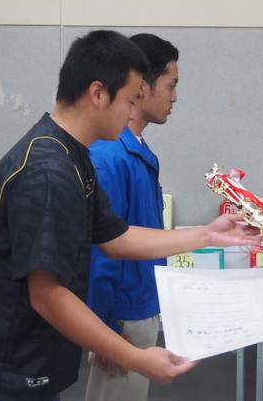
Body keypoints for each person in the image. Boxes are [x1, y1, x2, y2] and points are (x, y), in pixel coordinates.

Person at [0, 30, 260, 401]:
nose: (134, 112)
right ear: (98, 93)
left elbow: (116, 238)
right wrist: (134, 357)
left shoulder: (73, 156)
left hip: (27, 359)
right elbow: (47, 294)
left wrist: (208, 234)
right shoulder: (48, 169)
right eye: (131, 100)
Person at [85, 33, 179, 401]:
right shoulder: (110, 156)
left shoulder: (136, 150)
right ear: (142, 85)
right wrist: (105, 329)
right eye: (171, 85)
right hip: (121, 313)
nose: (174, 97)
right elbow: (101, 247)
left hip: (140, 303)